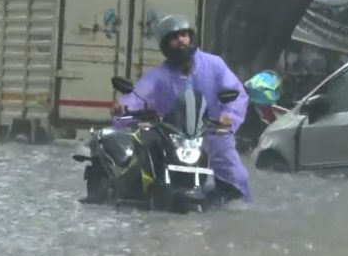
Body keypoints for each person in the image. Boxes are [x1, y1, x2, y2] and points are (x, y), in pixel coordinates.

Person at [107, 14, 251, 203]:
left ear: (191, 37)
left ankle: (235, 214)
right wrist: (123, 107)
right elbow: (139, 96)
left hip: (214, 134)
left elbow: (236, 93)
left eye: (183, 35)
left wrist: (228, 117)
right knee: (146, 171)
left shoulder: (214, 65)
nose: (180, 40)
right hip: (174, 138)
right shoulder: (160, 76)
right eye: (174, 37)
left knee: (238, 178)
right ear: (166, 45)